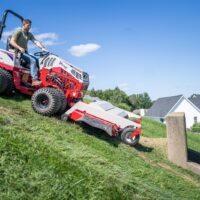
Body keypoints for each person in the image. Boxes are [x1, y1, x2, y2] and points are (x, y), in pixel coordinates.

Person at [10, 19, 48, 86]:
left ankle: (34, 79)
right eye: (28, 25)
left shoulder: (29, 34)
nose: (29, 27)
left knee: (37, 60)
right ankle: (34, 80)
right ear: (24, 24)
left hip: (24, 52)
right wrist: (19, 47)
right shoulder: (18, 31)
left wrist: (43, 48)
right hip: (17, 52)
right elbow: (12, 41)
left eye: (30, 26)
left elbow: (35, 41)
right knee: (32, 61)